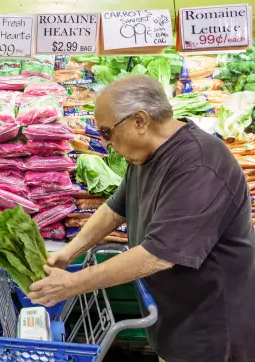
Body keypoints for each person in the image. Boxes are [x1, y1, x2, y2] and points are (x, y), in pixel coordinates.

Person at [28, 75, 255, 362]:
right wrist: (69, 254)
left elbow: (158, 255)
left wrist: (72, 284)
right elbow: (114, 208)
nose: (104, 142)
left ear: (139, 120)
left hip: (213, 330)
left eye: (107, 132)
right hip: (175, 318)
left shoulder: (200, 164)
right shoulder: (145, 154)